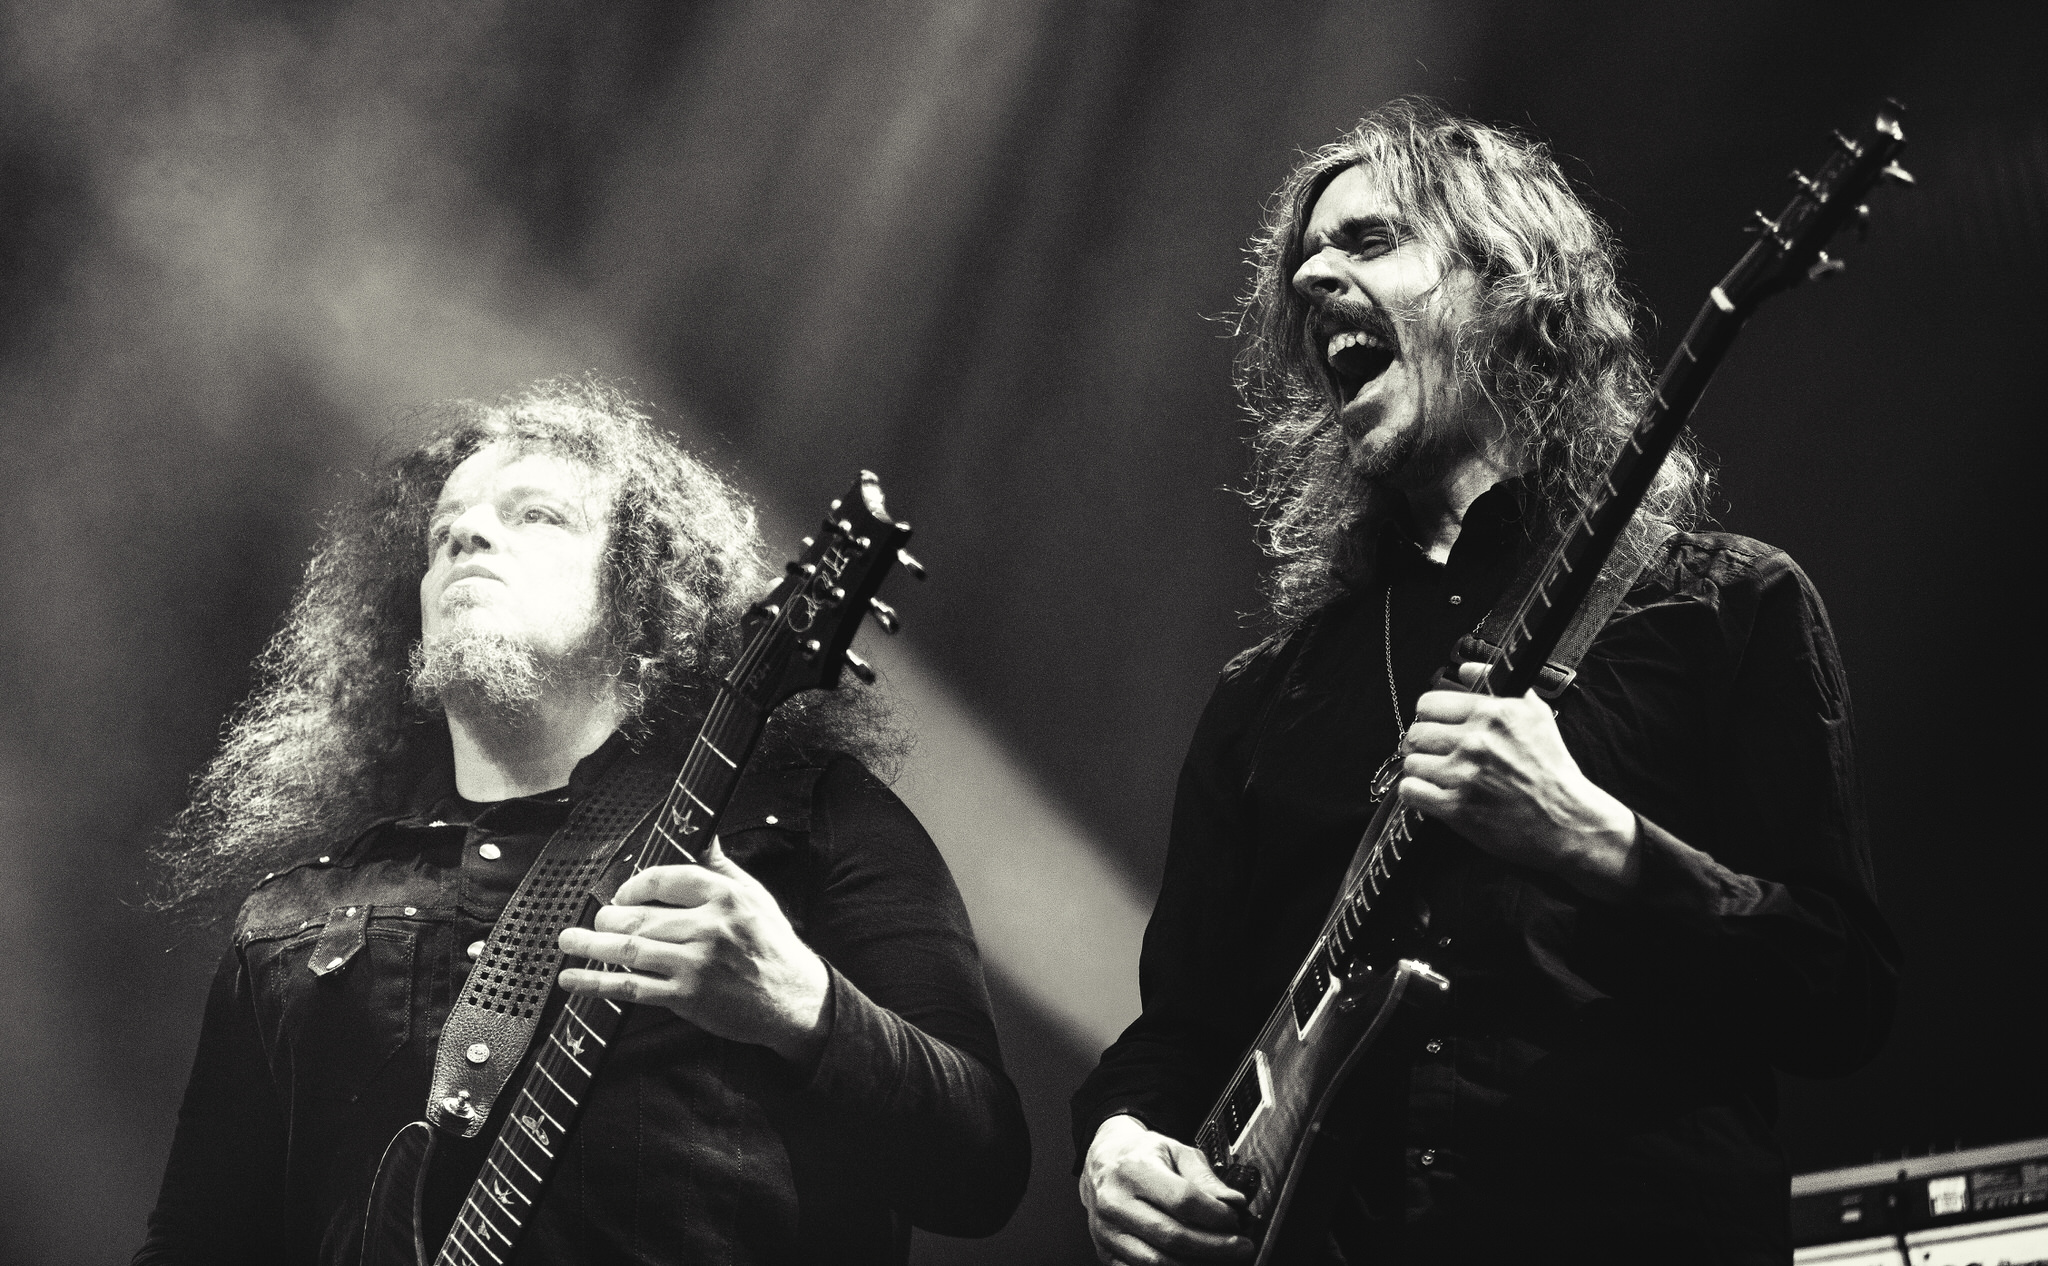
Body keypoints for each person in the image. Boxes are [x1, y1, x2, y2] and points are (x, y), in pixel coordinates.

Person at [1071, 98, 1899, 1265]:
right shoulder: (1266, 698)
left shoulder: (1725, 606)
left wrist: (1600, 842)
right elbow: (1180, 1033)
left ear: (1512, 286)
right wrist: (1116, 1143)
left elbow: (1842, 996)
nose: (1310, 276)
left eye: (1367, 241)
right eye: (1304, 257)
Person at [137, 377, 1028, 1265]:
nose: (468, 537)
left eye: (537, 515)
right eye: (444, 534)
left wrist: (802, 1005)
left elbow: (982, 1169)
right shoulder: (292, 918)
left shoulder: (807, 819)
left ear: (642, 592)